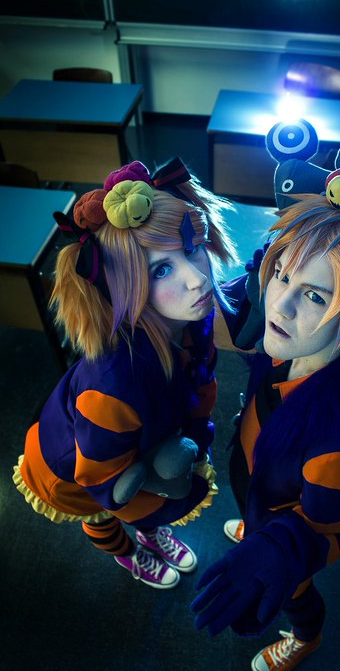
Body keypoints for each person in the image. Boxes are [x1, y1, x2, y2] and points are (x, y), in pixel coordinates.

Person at [192, 166, 340, 669]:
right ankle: (254, 525)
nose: (282, 306)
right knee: (253, 512)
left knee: (296, 593)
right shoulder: (285, 344)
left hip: (287, 517)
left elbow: (328, 530)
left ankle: (305, 639)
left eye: (316, 295)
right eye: (283, 275)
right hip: (259, 489)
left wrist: (282, 549)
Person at [13, 157, 237, 590]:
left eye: (192, 248)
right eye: (161, 269)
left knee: (144, 496)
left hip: (137, 440)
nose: (197, 279)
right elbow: (104, 480)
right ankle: (128, 554)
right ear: (124, 288)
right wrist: (173, 491)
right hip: (73, 467)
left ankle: (150, 534)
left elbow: (199, 382)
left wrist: (195, 435)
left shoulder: (189, 320)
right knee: (102, 516)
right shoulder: (112, 384)